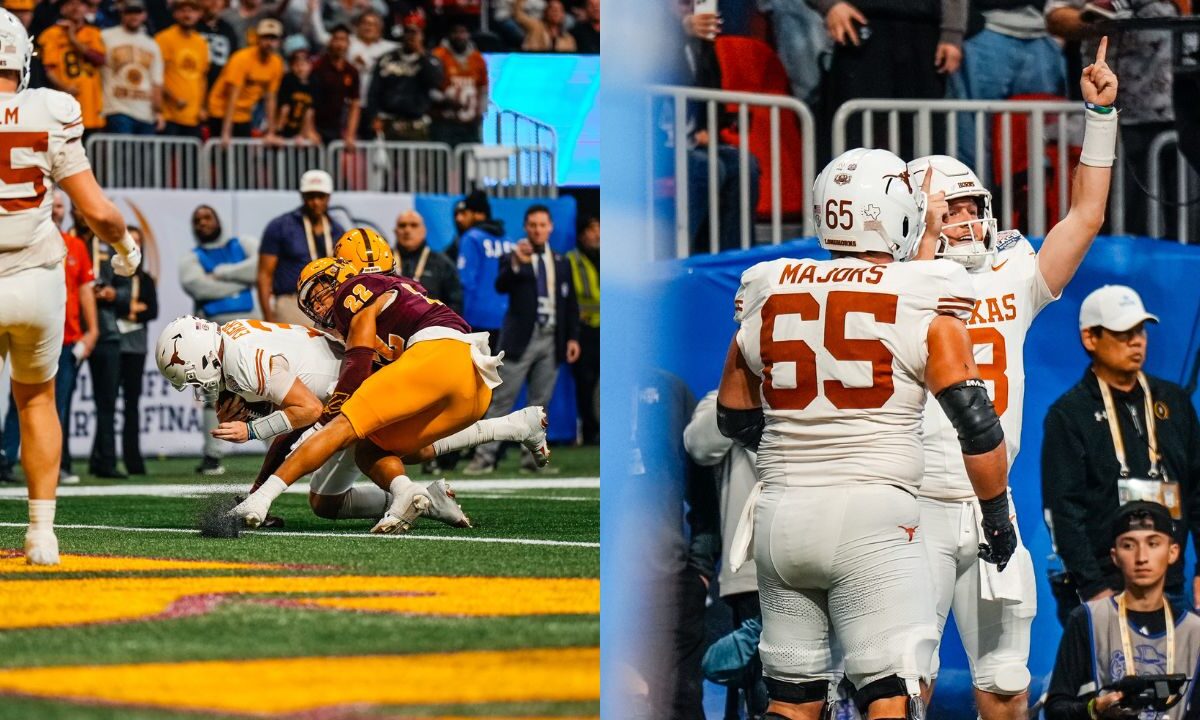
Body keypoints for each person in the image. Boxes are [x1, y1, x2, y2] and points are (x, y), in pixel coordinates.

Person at [715, 147, 1015, 720]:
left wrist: (798, 450)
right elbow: (976, 427)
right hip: (874, 519)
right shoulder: (926, 289)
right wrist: (996, 516)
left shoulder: (769, 286)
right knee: (890, 697)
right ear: (898, 211)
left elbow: (733, 415)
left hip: (781, 516)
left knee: (792, 700)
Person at [909, 38, 1119, 720]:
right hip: (909, 509)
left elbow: (1085, 216)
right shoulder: (889, 287)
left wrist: (1099, 115)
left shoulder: (1009, 273)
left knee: (1007, 687)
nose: (968, 221)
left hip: (992, 510)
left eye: (972, 207)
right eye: (951, 211)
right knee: (895, 685)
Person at [227, 256, 540, 534]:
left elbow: (359, 354)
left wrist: (338, 403)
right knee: (379, 448)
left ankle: (262, 500)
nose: (321, 305)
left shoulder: (355, 290)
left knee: (337, 430)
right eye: (313, 302)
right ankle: (509, 428)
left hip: (437, 355)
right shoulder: (400, 292)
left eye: (322, 291)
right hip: (472, 383)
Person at [158, 311, 547, 526]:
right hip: (345, 386)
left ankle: (504, 433)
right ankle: (502, 435)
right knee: (343, 490)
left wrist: (252, 428)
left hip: (354, 387)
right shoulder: (231, 339)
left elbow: (306, 412)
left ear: (205, 358)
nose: (199, 386)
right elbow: (297, 407)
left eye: (193, 376)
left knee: (382, 452)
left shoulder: (241, 361)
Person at [0, 7, 140, 564]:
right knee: (36, 401)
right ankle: (41, 534)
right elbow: (99, 213)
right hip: (35, 276)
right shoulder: (50, 108)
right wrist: (126, 251)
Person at [1042, 284, 1200, 624]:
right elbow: (1062, 511)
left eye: (1140, 330)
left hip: (1169, 585)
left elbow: (1198, 491)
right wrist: (1094, 589)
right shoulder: (1070, 414)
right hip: (1101, 589)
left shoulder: (1173, 402)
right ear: (1090, 338)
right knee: (1105, 678)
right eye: (1123, 332)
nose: (1137, 340)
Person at [1045, 501, 1200, 720]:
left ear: (1173, 552)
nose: (1141, 557)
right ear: (1115, 555)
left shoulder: (1195, 631)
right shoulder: (1088, 619)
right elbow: (1055, 709)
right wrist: (1095, 710)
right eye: (1128, 545)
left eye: (1153, 544)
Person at [1045, 0, 1178, 238]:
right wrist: (1097, 19)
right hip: (1116, 114)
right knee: (1123, 219)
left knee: (1183, 223)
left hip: (1179, 106)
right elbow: (1055, 16)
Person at [463, 205, 580, 475]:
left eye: (543, 225)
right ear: (526, 228)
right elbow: (501, 285)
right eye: (533, 225)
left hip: (552, 337)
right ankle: (484, 458)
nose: (538, 229)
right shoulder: (513, 256)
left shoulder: (561, 261)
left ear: (550, 227)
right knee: (502, 400)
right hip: (521, 339)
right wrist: (516, 262)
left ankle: (533, 461)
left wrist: (572, 337)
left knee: (541, 404)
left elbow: (570, 303)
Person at [0, 191, 99, 487]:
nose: (56, 210)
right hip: (30, 333)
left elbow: (85, 293)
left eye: (60, 206)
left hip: (66, 339)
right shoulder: (22, 241)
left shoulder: (75, 246)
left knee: (59, 405)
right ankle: (6, 458)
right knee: (20, 401)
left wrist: (91, 332)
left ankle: (52, 465)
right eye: (52, 205)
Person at [684, 389, 765, 718]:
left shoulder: (813, 394)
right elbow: (699, 445)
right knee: (759, 688)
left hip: (815, 558)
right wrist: (747, 394)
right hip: (752, 570)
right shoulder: (722, 399)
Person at [818, 0, 965, 158]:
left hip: (924, 32)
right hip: (859, 26)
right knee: (851, 143)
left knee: (925, 148)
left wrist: (953, 33)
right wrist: (830, 5)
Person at [179, 203, 259, 476]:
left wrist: (222, 273)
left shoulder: (243, 244)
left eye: (207, 217)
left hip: (248, 329)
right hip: (210, 333)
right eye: (197, 219)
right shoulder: (191, 258)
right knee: (210, 391)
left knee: (263, 387)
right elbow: (196, 285)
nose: (203, 222)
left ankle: (279, 448)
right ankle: (212, 455)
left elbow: (259, 267)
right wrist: (242, 284)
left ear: (217, 220)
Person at [948, 0, 1065, 173]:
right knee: (976, 140)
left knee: (1044, 143)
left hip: (1043, 33)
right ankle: (979, 198)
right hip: (985, 28)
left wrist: (1059, 28)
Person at [257, 169, 344, 325]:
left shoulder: (337, 230)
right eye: (310, 196)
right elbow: (264, 275)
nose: (316, 202)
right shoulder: (280, 226)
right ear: (302, 196)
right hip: (292, 301)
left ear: (328, 197)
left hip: (328, 301)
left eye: (320, 196)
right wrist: (268, 317)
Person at [112, 226, 157, 475]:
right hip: (113, 345)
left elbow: (152, 310)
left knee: (132, 405)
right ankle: (104, 459)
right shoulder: (113, 275)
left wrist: (126, 305)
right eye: (131, 242)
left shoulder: (145, 278)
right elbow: (109, 303)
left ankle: (133, 460)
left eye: (139, 243)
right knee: (107, 404)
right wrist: (132, 306)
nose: (135, 247)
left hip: (136, 347)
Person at [205, 17, 284, 144]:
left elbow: (270, 98)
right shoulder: (242, 58)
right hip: (220, 111)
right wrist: (226, 132)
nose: (269, 43)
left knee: (244, 157)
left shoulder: (276, 63)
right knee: (222, 156)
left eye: (273, 39)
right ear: (258, 39)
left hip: (244, 114)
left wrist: (271, 132)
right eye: (265, 38)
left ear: (279, 42)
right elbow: (232, 95)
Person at [365, 21, 442, 142]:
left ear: (422, 35)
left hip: (417, 124)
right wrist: (373, 116)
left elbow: (435, 81)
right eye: (408, 32)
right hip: (389, 122)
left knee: (418, 161)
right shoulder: (387, 59)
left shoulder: (430, 60)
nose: (411, 36)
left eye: (415, 33)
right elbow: (373, 90)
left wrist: (421, 54)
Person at [38, 0, 106, 133]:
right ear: (62, 9)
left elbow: (100, 59)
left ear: (87, 9)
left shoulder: (93, 33)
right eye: (70, 3)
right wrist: (65, 87)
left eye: (80, 4)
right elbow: (48, 69)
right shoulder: (51, 34)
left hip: (91, 102)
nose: (76, 8)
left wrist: (73, 38)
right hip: (64, 102)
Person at [454, 190, 510, 350]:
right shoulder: (508, 240)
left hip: (476, 319)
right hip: (505, 319)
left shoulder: (471, 238)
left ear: (477, 214)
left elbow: (465, 281)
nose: (460, 218)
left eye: (466, 213)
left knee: (475, 373)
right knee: (496, 373)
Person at [100, 0, 164, 135]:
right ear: (122, 14)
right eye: (129, 12)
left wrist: (158, 112)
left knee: (145, 156)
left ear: (144, 15)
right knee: (121, 155)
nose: (133, 16)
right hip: (117, 109)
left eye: (137, 12)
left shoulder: (152, 44)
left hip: (146, 113)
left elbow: (156, 82)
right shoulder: (106, 36)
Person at [155, 0, 209, 138]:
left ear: (199, 15)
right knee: (164, 158)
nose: (187, 14)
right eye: (183, 10)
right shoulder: (164, 38)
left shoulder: (201, 43)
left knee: (191, 159)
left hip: (193, 116)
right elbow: (156, 76)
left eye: (192, 11)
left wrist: (202, 107)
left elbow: (202, 77)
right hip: (169, 114)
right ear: (175, 14)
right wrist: (173, 98)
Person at [567, 215, 598, 445]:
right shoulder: (571, 260)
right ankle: (588, 433)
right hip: (584, 330)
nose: (597, 234)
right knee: (585, 384)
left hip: (607, 329)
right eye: (592, 228)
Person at [393, 210, 462, 314]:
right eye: (402, 225)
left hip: (429, 326)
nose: (407, 230)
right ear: (395, 231)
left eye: (414, 225)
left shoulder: (442, 263)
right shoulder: (383, 261)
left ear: (424, 231)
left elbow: (455, 302)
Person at [430, 23, 486, 148]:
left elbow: (483, 88)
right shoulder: (438, 55)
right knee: (443, 164)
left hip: (470, 124)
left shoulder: (478, 59)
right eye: (456, 32)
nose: (460, 36)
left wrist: (480, 113)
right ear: (449, 35)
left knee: (469, 164)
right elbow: (429, 89)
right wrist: (447, 100)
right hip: (444, 122)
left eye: (463, 32)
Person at [309, 24, 360, 147]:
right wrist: (310, 130)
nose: (340, 44)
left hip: (336, 129)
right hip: (316, 127)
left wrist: (350, 134)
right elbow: (308, 102)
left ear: (348, 44)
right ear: (330, 42)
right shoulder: (317, 67)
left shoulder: (351, 71)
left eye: (343, 40)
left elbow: (355, 104)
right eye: (336, 39)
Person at [275, 42, 318, 143]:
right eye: (296, 65)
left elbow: (309, 112)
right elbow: (284, 109)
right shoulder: (287, 81)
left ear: (310, 65)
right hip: (285, 128)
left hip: (300, 129)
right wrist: (278, 133)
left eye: (303, 64)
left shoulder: (314, 83)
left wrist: (303, 134)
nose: (300, 68)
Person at [197, 0, 238, 88]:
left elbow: (233, 62)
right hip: (194, 85)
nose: (215, 2)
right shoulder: (192, 26)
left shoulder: (228, 30)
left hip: (219, 89)